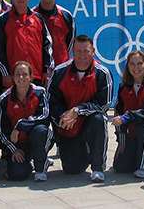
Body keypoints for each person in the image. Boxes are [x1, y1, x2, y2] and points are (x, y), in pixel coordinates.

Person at [48, 35, 112, 182]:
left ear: (93, 51)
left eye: (86, 51)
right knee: (72, 169)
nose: (82, 55)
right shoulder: (59, 72)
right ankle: (84, 151)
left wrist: (77, 111)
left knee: (99, 119)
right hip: (67, 124)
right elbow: (51, 101)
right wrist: (64, 117)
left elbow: (104, 104)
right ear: (73, 52)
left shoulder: (103, 73)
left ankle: (97, 168)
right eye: (78, 51)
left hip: (88, 121)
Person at [111, 51, 144, 178]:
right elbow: (119, 112)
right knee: (120, 167)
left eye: (140, 63)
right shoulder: (124, 85)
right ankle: (136, 155)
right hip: (134, 131)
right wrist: (122, 142)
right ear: (128, 66)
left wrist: (126, 117)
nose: (136, 68)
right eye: (132, 64)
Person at [0, 61, 52, 182]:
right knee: (17, 175)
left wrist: (21, 125)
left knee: (41, 130)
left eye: (25, 74)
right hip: (16, 144)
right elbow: (0, 130)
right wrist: (13, 149)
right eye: (17, 74)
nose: (21, 77)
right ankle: (26, 162)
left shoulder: (40, 92)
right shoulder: (4, 98)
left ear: (31, 77)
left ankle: (41, 168)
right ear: (13, 77)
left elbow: (44, 116)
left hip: (37, 138)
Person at [0, 0, 53, 89]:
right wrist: (5, 73)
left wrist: (46, 69)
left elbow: (47, 45)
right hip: (14, 77)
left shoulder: (38, 18)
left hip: (36, 76)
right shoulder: (2, 20)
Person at [33, 0, 75, 67]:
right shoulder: (31, 16)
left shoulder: (66, 16)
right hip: (39, 69)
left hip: (61, 68)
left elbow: (71, 44)